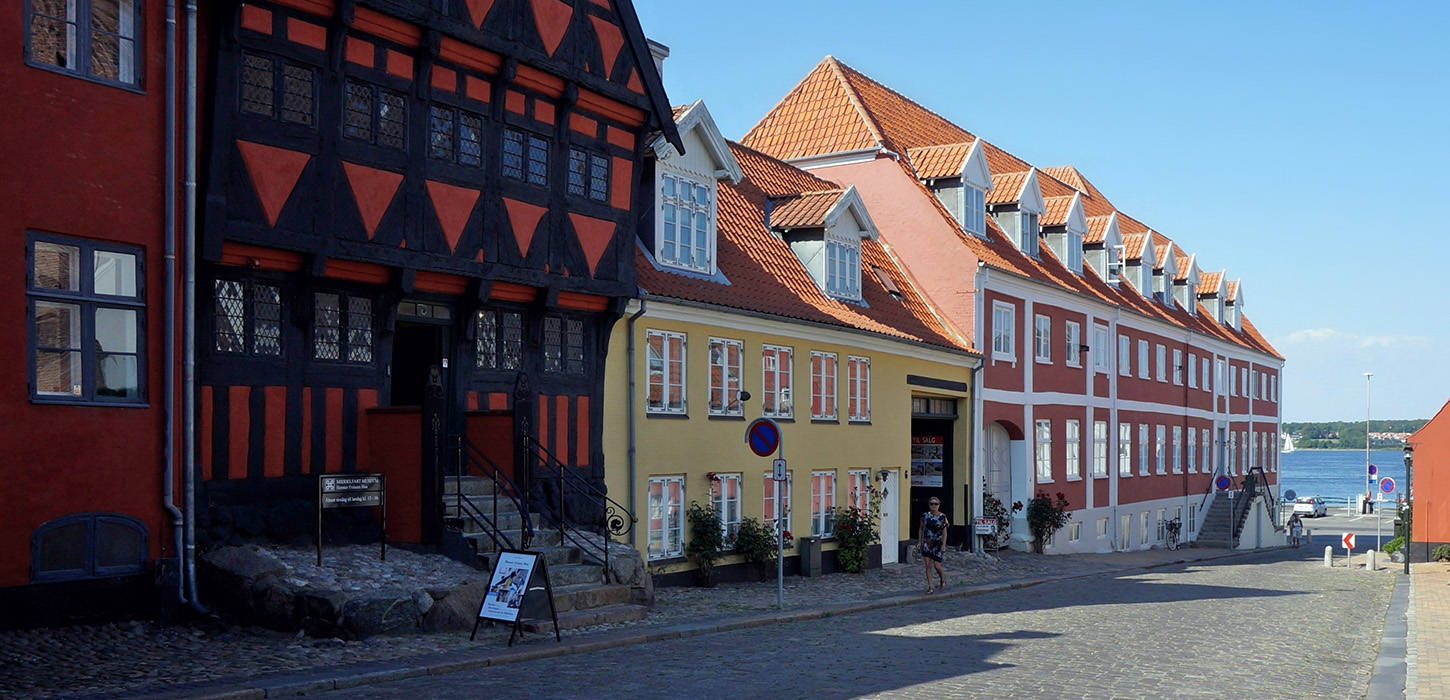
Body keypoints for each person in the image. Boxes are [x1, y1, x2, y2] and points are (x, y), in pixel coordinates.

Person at [919, 498, 949, 594]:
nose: (933, 506)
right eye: (932, 504)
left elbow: (944, 531)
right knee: (928, 565)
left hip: (937, 543)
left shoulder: (942, 517)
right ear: (929, 505)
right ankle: (930, 587)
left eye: (936, 504)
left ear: (939, 505)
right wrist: (920, 541)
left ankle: (942, 579)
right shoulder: (925, 516)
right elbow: (921, 528)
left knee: (937, 565)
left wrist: (944, 544)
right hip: (927, 543)